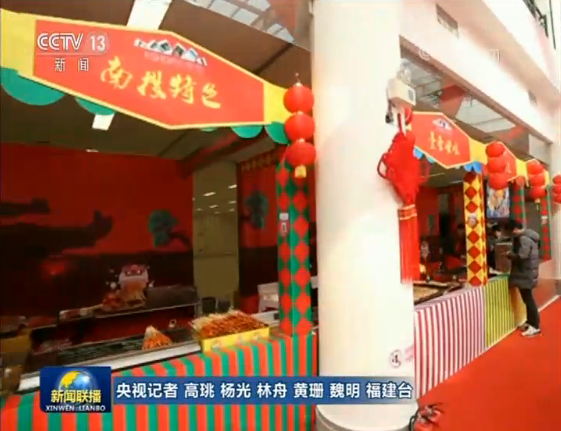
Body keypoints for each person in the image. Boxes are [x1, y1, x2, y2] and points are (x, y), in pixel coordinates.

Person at [503, 219, 541, 337]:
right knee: (527, 299)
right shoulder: (530, 237)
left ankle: (535, 326)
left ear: (515, 229)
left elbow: (522, 256)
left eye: (509, 232)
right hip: (528, 272)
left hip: (525, 273)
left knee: (528, 300)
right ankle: (530, 322)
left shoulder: (524, 239)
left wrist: (509, 255)